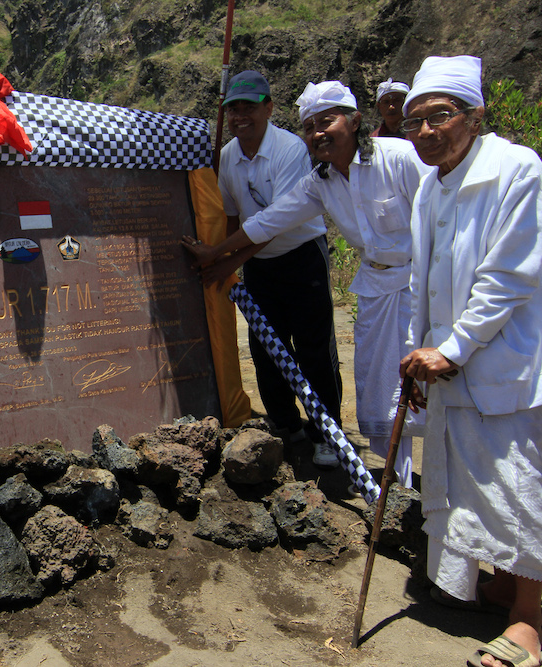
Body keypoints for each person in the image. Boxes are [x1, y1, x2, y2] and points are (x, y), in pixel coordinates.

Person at [183, 80, 429, 488]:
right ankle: (393, 480)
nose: (317, 133)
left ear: (354, 121)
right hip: (373, 289)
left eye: (326, 122)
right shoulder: (323, 180)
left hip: (419, 288)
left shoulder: (401, 158)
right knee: (378, 386)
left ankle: (353, 449)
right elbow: (269, 219)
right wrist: (220, 255)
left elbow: (441, 217)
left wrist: (221, 258)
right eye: (310, 125)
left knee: (408, 381)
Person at [398, 55, 542, 667]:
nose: (428, 132)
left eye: (441, 116)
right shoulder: (431, 185)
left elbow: (507, 278)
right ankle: (505, 583)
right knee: (471, 483)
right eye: (415, 122)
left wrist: (453, 350)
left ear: (475, 115)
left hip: (501, 359)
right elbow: (423, 281)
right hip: (446, 360)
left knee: (518, 487)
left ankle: (530, 624)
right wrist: (420, 359)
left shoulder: (517, 168)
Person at [192, 70, 342, 468]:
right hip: (258, 264)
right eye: (234, 108)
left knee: (313, 348)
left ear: (269, 108)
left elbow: (278, 221)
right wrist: (226, 258)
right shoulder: (228, 155)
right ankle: (284, 424)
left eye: (250, 107)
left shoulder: (290, 149)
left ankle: (327, 432)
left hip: (301, 255)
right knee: (265, 347)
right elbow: (228, 215)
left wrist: (224, 260)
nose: (241, 116)